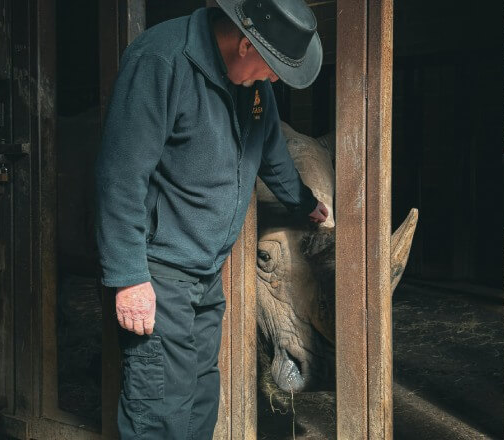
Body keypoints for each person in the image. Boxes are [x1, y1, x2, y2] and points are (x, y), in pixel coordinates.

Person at [94, 0, 329, 438]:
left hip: (204, 271)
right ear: (245, 43)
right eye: (273, 67)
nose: (275, 78)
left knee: (201, 398)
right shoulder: (160, 61)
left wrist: (303, 201)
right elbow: (120, 175)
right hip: (158, 272)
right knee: (158, 409)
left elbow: (270, 147)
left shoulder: (252, 84)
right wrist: (128, 278)